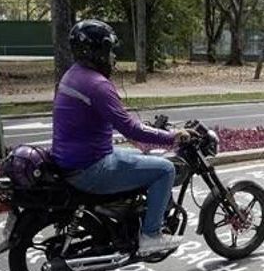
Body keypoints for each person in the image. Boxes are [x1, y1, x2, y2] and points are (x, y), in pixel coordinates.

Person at [51, 19, 187, 257]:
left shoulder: (73, 75)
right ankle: (151, 235)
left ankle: (132, 218)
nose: (112, 56)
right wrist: (171, 137)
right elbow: (129, 127)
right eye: (109, 49)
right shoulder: (97, 85)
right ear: (97, 50)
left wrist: (141, 140)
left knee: (144, 156)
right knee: (165, 169)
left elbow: (99, 122)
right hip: (92, 167)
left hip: (75, 160)